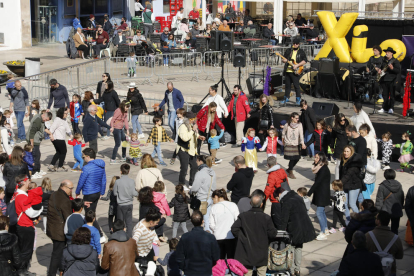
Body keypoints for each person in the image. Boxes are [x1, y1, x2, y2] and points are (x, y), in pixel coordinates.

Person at [231, 193, 277, 276]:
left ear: (250, 203)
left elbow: (234, 229)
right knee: (261, 273)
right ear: (261, 204)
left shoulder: (243, 216)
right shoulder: (266, 218)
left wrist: (242, 237)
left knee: (247, 273)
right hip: (261, 252)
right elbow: (272, 233)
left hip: (246, 252)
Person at [277, 186, 316, 276]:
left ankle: (291, 269)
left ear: (279, 194)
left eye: (277, 198)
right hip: (303, 227)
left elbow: (284, 220)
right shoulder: (297, 197)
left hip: (294, 229)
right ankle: (297, 269)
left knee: (291, 249)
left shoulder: (287, 202)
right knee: (299, 248)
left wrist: (281, 233)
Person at [76, 148, 107, 242]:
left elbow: (81, 181)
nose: (83, 158)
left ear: (88, 157)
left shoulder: (86, 168)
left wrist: (77, 191)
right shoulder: (101, 166)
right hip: (97, 193)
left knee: (89, 215)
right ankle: (93, 233)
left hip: (89, 193)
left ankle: (100, 235)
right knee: (92, 213)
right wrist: (102, 192)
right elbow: (103, 180)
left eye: (83, 156)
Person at [14, 175, 43, 276]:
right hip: (25, 226)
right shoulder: (22, 196)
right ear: (23, 182)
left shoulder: (18, 194)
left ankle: (23, 270)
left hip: (23, 226)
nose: (29, 183)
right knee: (26, 250)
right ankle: (22, 271)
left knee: (24, 249)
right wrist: (41, 208)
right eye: (28, 181)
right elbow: (31, 213)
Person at [176, 210, 220, 276]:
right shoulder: (210, 237)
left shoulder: (185, 237)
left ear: (191, 221)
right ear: (203, 221)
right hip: (205, 271)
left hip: (190, 271)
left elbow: (179, 257)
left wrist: (184, 267)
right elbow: (216, 256)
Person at [46, 180, 73, 276]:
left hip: (52, 229)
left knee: (59, 252)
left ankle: (61, 269)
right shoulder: (65, 200)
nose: (71, 190)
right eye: (70, 188)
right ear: (64, 187)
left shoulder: (54, 194)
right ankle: (52, 273)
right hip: (59, 232)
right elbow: (68, 218)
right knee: (57, 254)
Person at [365, 211, 404, 275]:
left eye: (376, 218)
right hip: (390, 270)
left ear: (378, 221)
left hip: (372, 270)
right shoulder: (396, 238)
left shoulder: (368, 236)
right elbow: (400, 256)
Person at [209, 188, 239, 259]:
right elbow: (237, 221)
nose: (213, 201)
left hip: (218, 237)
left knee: (220, 260)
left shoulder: (214, 208)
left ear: (216, 197)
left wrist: (216, 229)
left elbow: (211, 224)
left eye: (213, 199)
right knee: (231, 259)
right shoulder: (233, 205)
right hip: (231, 236)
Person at [176, 112, 205, 187]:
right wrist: (193, 130)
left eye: (194, 119)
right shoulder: (182, 127)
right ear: (187, 119)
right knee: (184, 168)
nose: (193, 120)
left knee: (195, 167)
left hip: (192, 150)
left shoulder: (191, 125)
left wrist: (199, 136)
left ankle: (191, 183)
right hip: (184, 150)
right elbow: (185, 138)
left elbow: (194, 134)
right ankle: (181, 183)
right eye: (191, 119)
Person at [308, 152, 331, 240]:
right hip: (321, 193)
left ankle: (322, 232)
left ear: (322, 159)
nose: (315, 159)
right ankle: (325, 229)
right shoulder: (320, 168)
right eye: (315, 157)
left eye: (317, 158)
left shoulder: (323, 169)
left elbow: (317, 182)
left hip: (322, 194)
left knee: (319, 213)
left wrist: (309, 193)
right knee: (322, 212)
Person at [190, 155, 216, 231]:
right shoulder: (212, 172)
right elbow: (214, 186)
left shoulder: (200, 173)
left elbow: (195, 188)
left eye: (197, 160)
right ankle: (209, 234)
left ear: (201, 161)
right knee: (207, 220)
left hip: (200, 200)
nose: (196, 162)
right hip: (209, 199)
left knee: (197, 220)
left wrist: (190, 191)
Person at [375, 169, 404, 234]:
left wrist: (378, 211)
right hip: (396, 210)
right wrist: (400, 206)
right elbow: (401, 197)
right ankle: (394, 241)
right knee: (395, 229)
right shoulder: (399, 185)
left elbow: (379, 199)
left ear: (385, 176)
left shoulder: (382, 186)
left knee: (383, 229)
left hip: (385, 211)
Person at [339, 145, 364, 223]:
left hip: (354, 185)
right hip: (345, 184)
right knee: (344, 203)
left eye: (347, 151)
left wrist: (339, 183)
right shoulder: (343, 160)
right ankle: (348, 220)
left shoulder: (354, 163)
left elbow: (348, 175)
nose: (345, 153)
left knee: (352, 204)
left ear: (351, 152)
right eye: (345, 151)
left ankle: (359, 219)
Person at [263, 156, 289, 228]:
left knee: (276, 220)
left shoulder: (272, 175)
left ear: (268, 165)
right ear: (276, 163)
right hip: (284, 197)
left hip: (276, 200)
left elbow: (268, 189)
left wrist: (263, 200)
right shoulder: (282, 171)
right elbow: (287, 183)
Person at [113, 164, 137, 238]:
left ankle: (120, 237)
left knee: (120, 222)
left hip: (120, 204)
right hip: (129, 204)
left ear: (120, 171)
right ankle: (129, 237)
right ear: (128, 171)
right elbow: (134, 193)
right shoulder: (131, 181)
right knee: (129, 222)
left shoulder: (117, 182)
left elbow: (115, 193)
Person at [280, 38, 307, 105]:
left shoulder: (301, 51)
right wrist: (284, 60)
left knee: (296, 86)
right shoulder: (288, 51)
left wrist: (297, 65)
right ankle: (286, 97)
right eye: (294, 43)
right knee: (287, 86)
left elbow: (305, 60)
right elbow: (283, 59)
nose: (295, 45)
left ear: (299, 44)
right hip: (288, 70)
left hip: (295, 71)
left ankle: (298, 99)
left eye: (296, 44)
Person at [28, 111, 53, 179]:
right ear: (44, 115)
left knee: (38, 155)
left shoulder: (42, 120)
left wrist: (51, 134)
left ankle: (38, 170)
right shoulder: (38, 120)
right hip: (34, 141)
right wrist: (32, 143)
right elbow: (32, 132)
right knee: (35, 156)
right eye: (46, 119)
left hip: (37, 141)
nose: (46, 121)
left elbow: (45, 128)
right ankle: (33, 172)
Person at [48, 108, 73, 172]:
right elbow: (51, 129)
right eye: (65, 113)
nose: (66, 114)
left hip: (61, 138)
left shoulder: (64, 120)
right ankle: (60, 166)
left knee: (59, 152)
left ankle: (52, 165)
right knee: (63, 152)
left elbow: (67, 128)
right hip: (57, 138)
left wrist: (70, 134)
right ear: (61, 113)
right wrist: (51, 136)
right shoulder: (57, 120)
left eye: (67, 113)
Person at [377, 47, 401, 114]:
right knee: (385, 95)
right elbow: (381, 68)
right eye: (386, 52)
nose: (387, 53)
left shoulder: (395, 61)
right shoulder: (383, 60)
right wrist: (379, 70)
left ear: (392, 53)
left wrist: (392, 68)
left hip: (392, 80)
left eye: (388, 52)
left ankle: (391, 108)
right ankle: (385, 108)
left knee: (392, 95)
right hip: (384, 79)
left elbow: (398, 71)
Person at [282, 112, 305, 179]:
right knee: (292, 158)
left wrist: (302, 143)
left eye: (298, 118)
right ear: (292, 117)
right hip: (289, 143)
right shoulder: (287, 125)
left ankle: (289, 168)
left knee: (297, 158)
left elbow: (301, 134)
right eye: (296, 118)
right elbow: (283, 133)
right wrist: (283, 142)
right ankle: (291, 172)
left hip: (296, 143)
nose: (297, 119)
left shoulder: (300, 124)